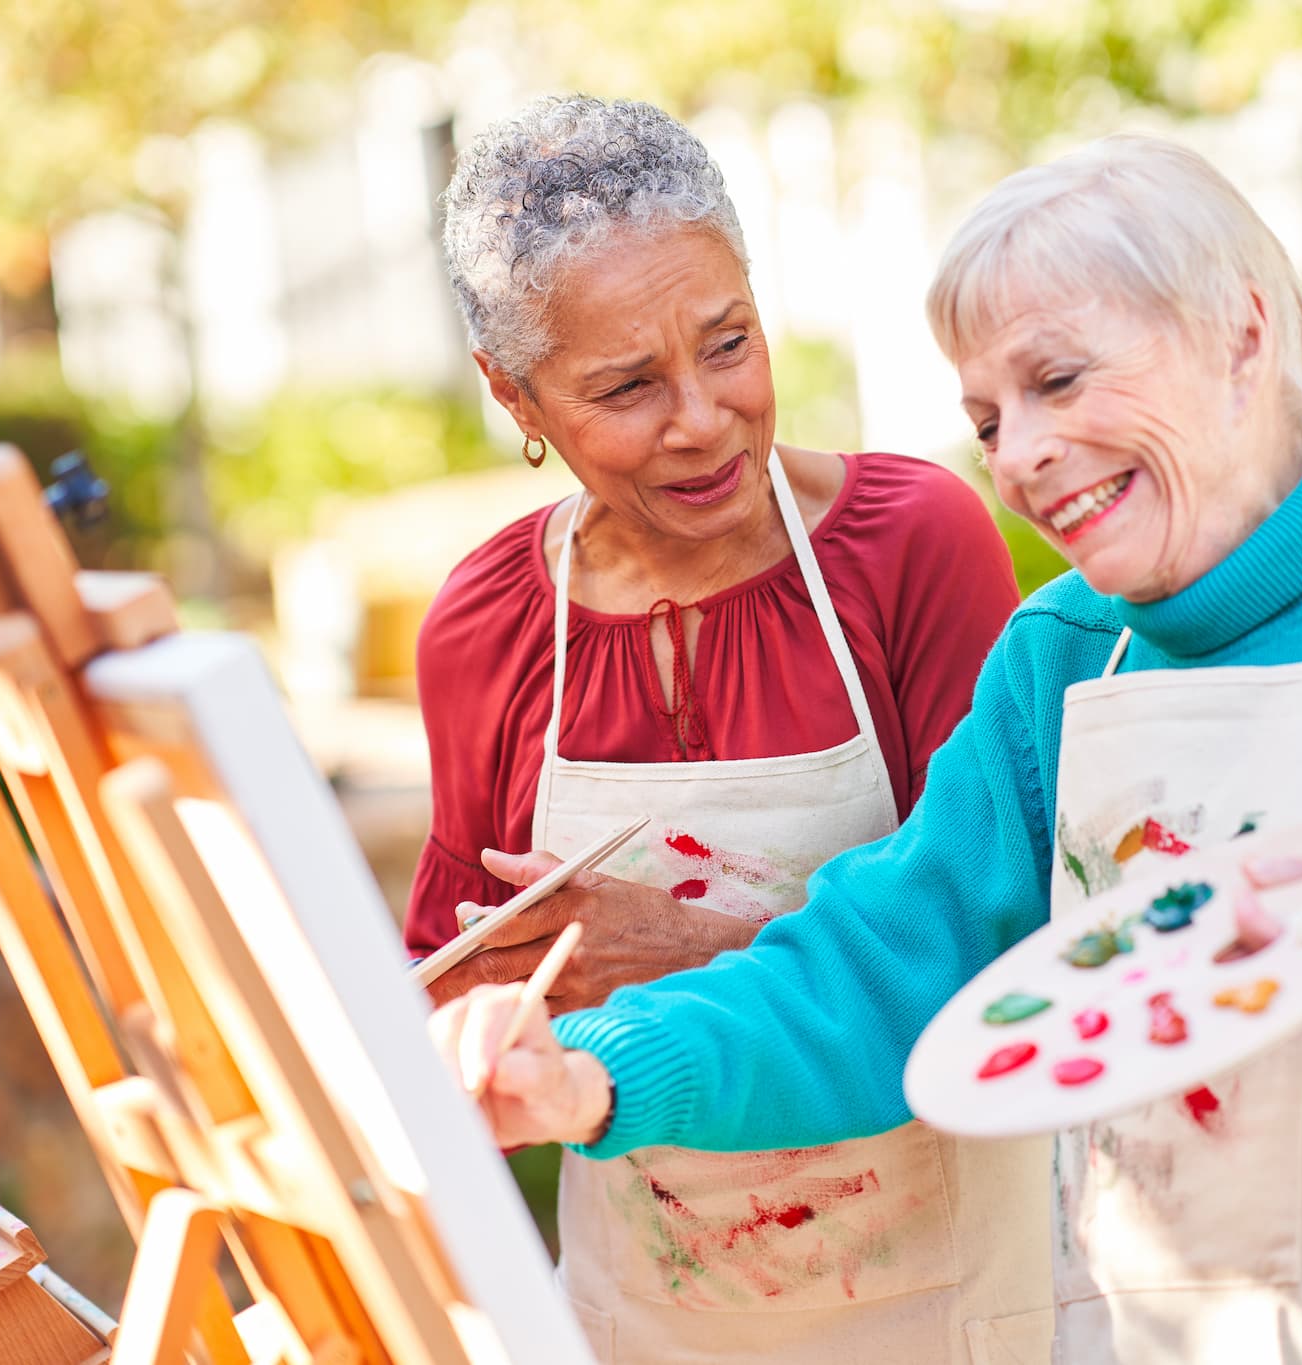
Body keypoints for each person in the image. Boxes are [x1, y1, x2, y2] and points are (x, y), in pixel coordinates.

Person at [433, 134, 1302, 1363]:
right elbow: (873, 973)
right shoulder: (1060, 659)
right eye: (987, 417)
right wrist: (596, 1072)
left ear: (1241, 334)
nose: (1022, 454)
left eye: (1058, 380)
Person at [411, 94, 1053, 1364]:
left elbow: (1013, 960)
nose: (702, 419)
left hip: (951, 1306)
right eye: (625, 386)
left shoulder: (908, 549)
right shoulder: (485, 625)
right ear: (513, 394)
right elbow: (450, 989)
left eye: (727, 344)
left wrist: (682, 949)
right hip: (643, 1319)